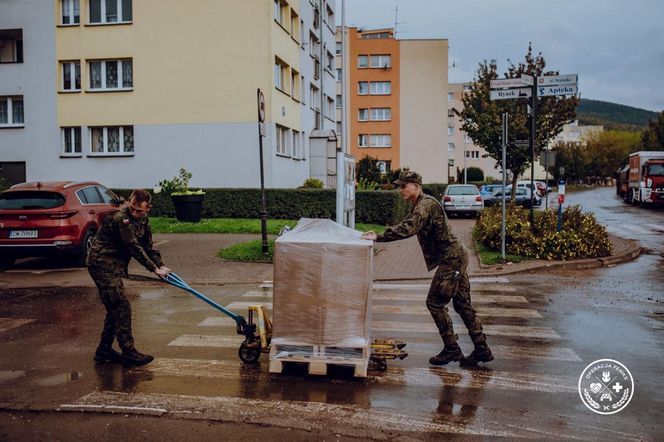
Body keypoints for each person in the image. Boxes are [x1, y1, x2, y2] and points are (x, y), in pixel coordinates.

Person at [362, 170, 493, 366]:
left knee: (434, 302)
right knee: (462, 304)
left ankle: (452, 348)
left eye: (404, 186)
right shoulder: (421, 204)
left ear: (416, 185)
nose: (401, 190)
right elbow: (409, 224)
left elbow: (409, 228)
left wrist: (378, 237)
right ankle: (482, 349)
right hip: (455, 257)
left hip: (452, 258)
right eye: (400, 186)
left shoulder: (425, 205)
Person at [87, 189, 170, 367]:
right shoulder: (120, 218)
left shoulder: (144, 219)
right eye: (132, 208)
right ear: (129, 203)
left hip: (114, 266)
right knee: (121, 307)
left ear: (148, 208)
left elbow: (147, 246)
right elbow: (133, 247)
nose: (134, 213)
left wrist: (160, 265)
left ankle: (104, 351)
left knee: (114, 308)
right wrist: (154, 269)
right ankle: (129, 352)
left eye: (139, 211)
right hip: (101, 264)